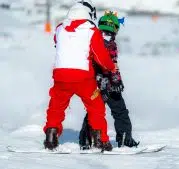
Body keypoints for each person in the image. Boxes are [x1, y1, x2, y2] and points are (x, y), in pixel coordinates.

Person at [43, 0, 116, 152]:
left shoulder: (59, 28)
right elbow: (100, 57)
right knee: (96, 107)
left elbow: (57, 43)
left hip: (61, 76)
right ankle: (100, 141)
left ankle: (51, 136)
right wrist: (110, 67)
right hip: (83, 78)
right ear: (89, 14)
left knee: (56, 106)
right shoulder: (91, 30)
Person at [79, 11, 139, 150]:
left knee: (94, 112)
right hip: (105, 83)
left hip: (94, 82)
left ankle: (86, 140)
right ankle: (125, 139)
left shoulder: (92, 40)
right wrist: (116, 81)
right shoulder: (110, 44)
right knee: (120, 111)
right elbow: (111, 65)